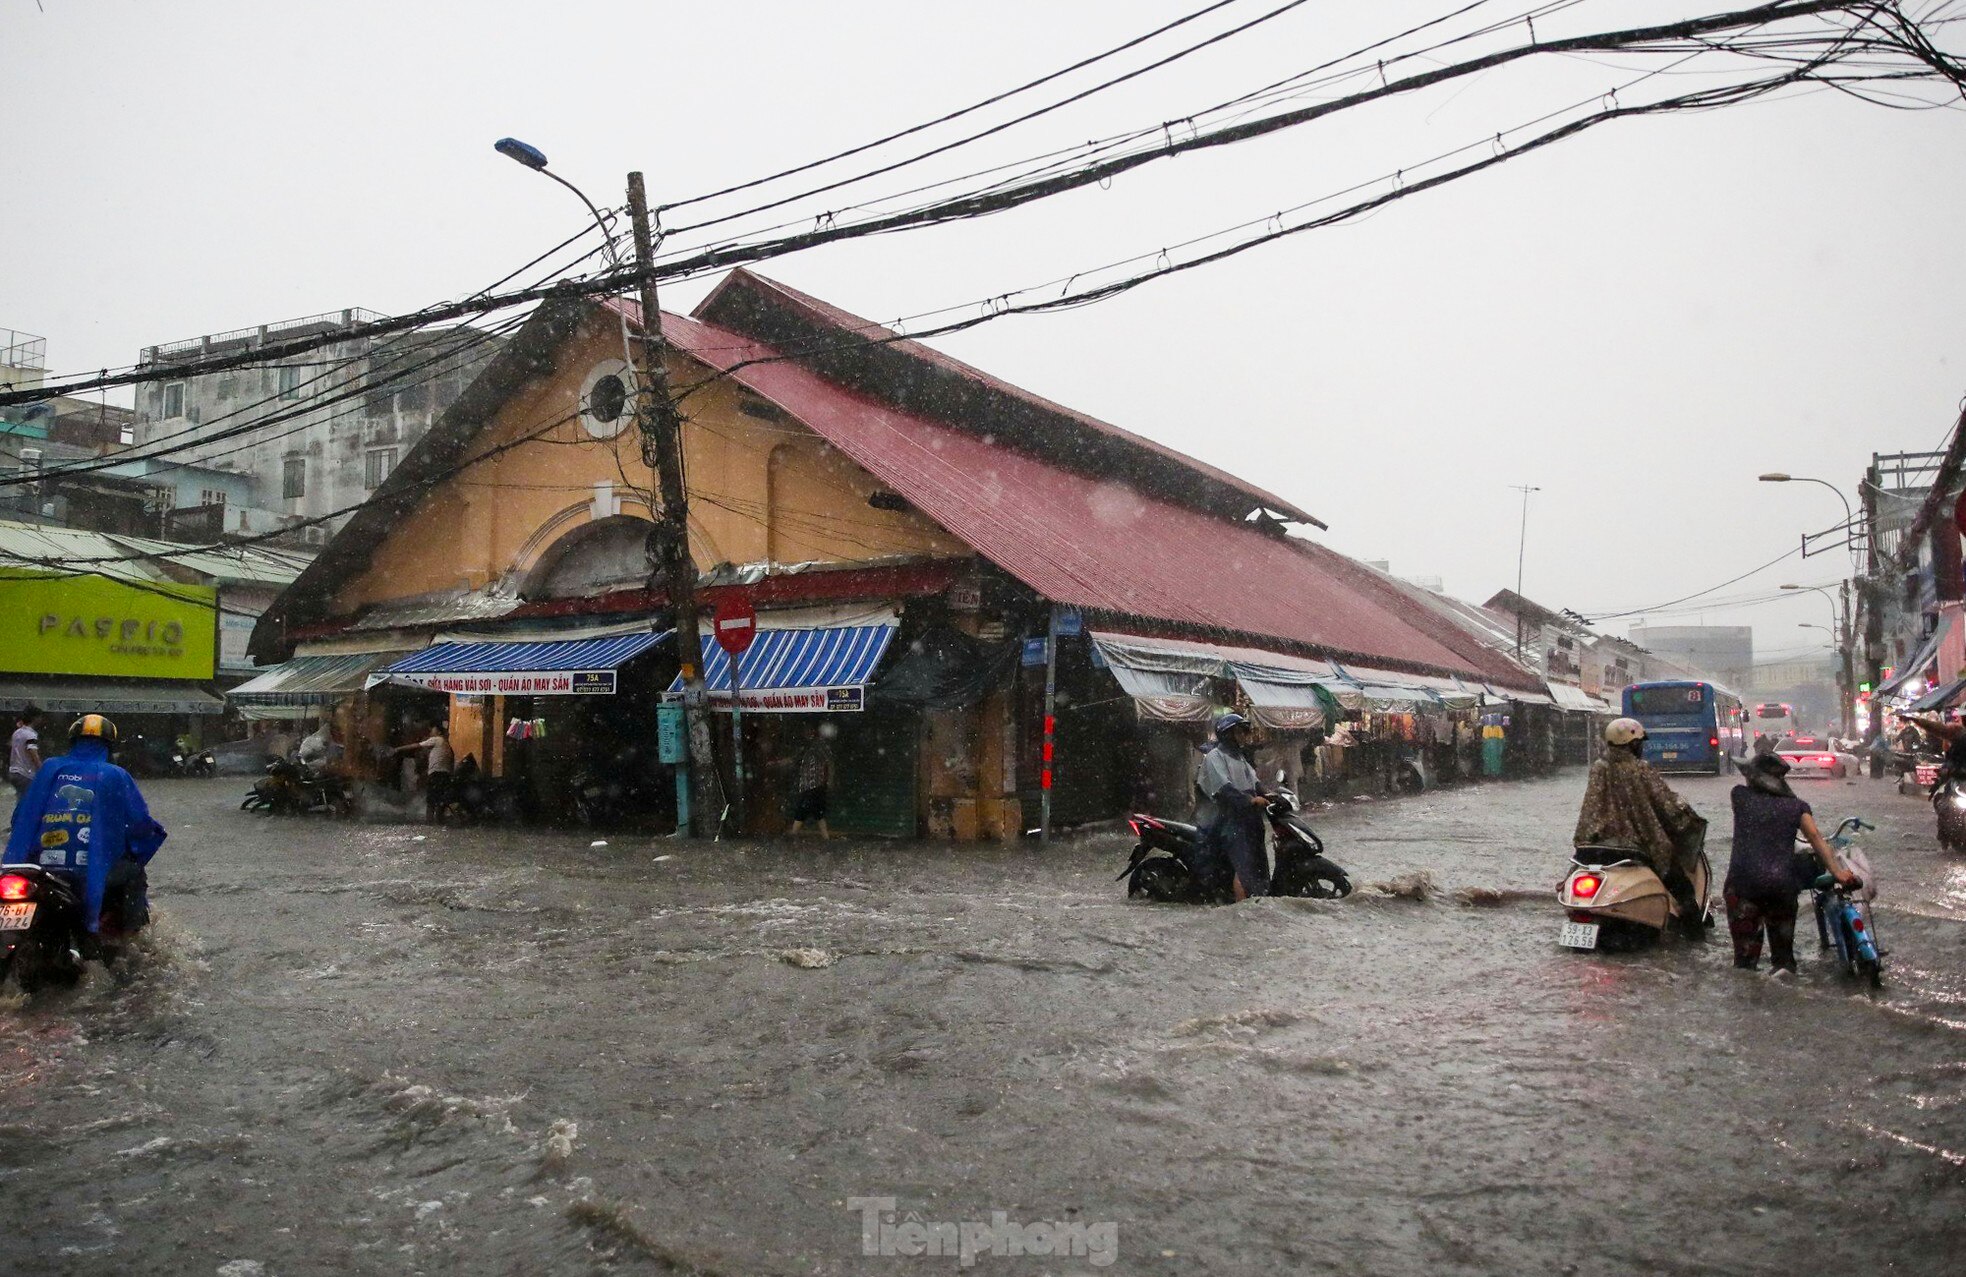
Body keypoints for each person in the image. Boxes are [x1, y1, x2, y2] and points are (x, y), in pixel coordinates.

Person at [3, 714, 165, 940]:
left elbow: (21, 816)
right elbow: (139, 824)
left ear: (72, 741)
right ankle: (127, 941)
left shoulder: (50, 769)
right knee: (134, 875)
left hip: (37, 868)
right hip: (87, 872)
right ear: (108, 746)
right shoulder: (115, 775)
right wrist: (149, 837)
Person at [1724, 752, 1859, 975]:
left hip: (1743, 887)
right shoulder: (1797, 807)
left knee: (1745, 966)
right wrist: (1838, 872)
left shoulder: (1739, 796)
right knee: (1784, 962)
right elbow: (1815, 837)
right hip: (1781, 888)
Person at [1573, 717, 1708, 935]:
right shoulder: (1640, 770)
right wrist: (1686, 817)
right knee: (1683, 889)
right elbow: (1665, 802)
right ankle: (1694, 938)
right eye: (1640, 743)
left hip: (1597, 848)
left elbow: (1592, 807)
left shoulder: (1598, 769)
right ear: (1634, 745)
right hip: (1638, 845)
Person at [1196, 712, 1270, 902]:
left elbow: (1255, 782)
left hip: (1247, 817)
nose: (1244, 736)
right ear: (1228, 734)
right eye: (1239, 732)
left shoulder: (1240, 758)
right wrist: (1250, 801)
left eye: (1244, 732)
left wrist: (1269, 794)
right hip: (1227, 819)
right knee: (1243, 867)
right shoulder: (1214, 757)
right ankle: (1241, 907)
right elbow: (1224, 790)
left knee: (1257, 863)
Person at [397, 723, 455, 822]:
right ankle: (439, 820)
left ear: (439, 732)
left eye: (433, 730)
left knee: (431, 799)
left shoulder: (437, 739)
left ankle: (430, 821)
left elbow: (417, 745)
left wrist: (398, 749)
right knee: (440, 799)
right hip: (445, 774)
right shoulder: (446, 744)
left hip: (436, 774)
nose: (431, 732)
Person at [787, 726, 835, 839]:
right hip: (813, 786)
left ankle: (793, 834)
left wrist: (830, 780)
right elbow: (793, 760)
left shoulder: (818, 749)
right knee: (818, 813)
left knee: (802, 811)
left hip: (813, 786)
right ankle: (826, 837)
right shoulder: (807, 750)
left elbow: (829, 764)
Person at [8, 706, 43, 801]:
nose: (41, 719)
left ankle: (18, 814)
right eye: (40, 717)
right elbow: (33, 753)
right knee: (27, 800)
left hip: (14, 771)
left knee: (20, 798)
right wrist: (41, 768)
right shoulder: (31, 735)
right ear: (34, 718)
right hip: (25, 773)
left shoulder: (17, 733)